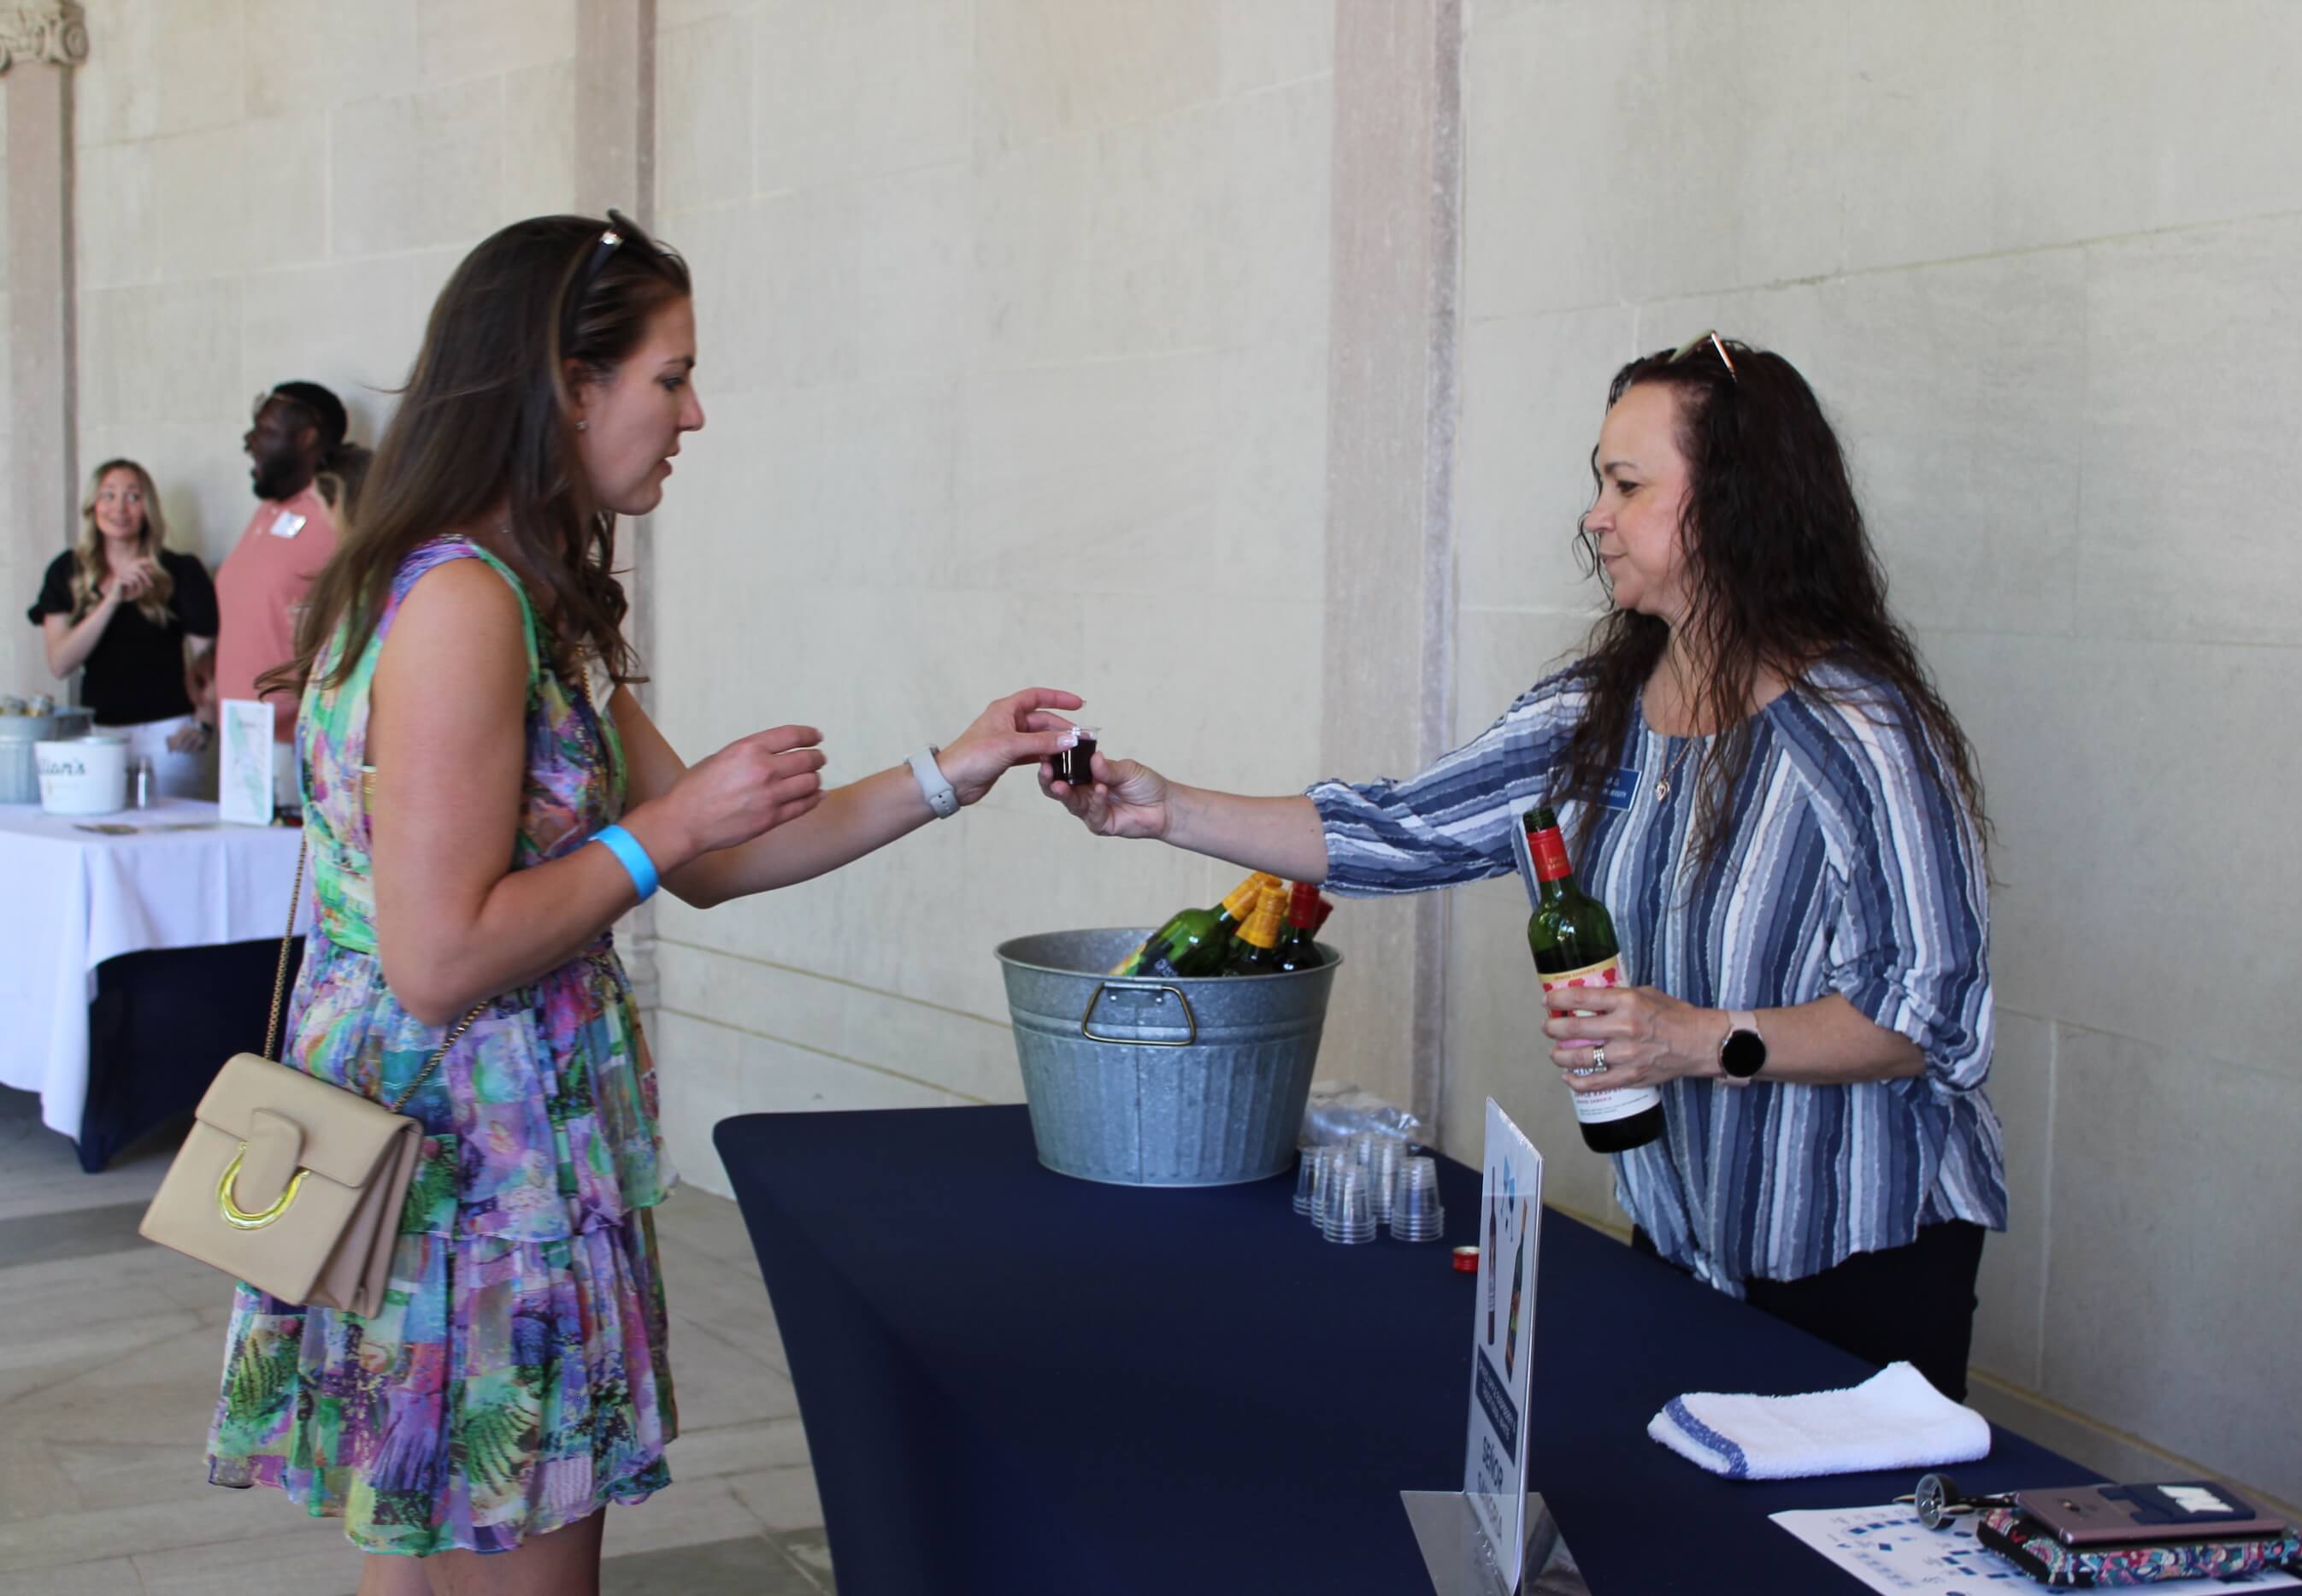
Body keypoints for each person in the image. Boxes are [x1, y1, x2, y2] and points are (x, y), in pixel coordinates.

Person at [203, 211, 1081, 1589]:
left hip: (464, 1155)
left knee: (424, 1545)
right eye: (671, 375)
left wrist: (951, 768)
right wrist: (667, 824)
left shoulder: (515, 592)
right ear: (568, 381)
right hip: (471, 1177)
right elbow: (443, 956)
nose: (695, 412)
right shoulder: (463, 606)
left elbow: (715, 859)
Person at [1047, 334, 2001, 1401]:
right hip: (1687, 1241)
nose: (1595, 514)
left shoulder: (1859, 729)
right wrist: (1167, 808)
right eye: (1600, 479)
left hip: (1858, 1255)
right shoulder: (1595, 712)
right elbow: (1399, 828)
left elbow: (1929, 1017)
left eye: (1627, 483)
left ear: (1735, 506)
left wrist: (1693, 1040)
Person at [26, 459, 220, 798]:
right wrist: (112, 599)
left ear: (148, 508)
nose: (120, 508)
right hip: (98, 733)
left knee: (172, 841)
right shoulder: (67, 570)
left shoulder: (180, 570)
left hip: (170, 731)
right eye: (109, 495)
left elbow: (209, 660)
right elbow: (60, 663)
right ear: (93, 506)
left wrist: (205, 723)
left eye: (133, 497)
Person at [204, 378, 350, 808]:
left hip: (296, 746)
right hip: (241, 737)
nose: (250, 442)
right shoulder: (267, 512)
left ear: (307, 438)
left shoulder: (334, 513)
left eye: (265, 431)